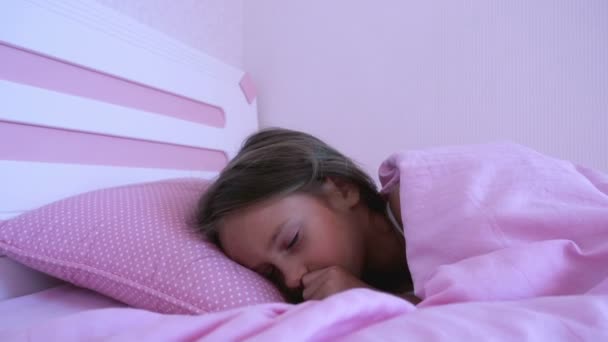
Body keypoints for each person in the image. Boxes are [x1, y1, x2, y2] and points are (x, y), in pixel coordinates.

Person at [196, 128, 419, 304]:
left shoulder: (415, 198)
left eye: (292, 241)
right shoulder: (361, 276)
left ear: (342, 190)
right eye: (270, 273)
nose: (292, 279)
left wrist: (369, 297)